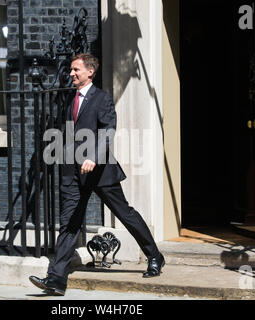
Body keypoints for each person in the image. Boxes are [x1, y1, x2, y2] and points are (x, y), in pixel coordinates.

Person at [29, 53, 164, 296]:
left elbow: (108, 130)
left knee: (125, 214)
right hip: (73, 173)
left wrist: (93, 156)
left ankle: (155, 255)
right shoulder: (70, 100)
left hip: (99, 171)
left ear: (90, 72)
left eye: (75, 69)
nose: (71, 73)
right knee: (69, 223)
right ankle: (57, 279)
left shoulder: (101, 98)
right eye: (71, 69)